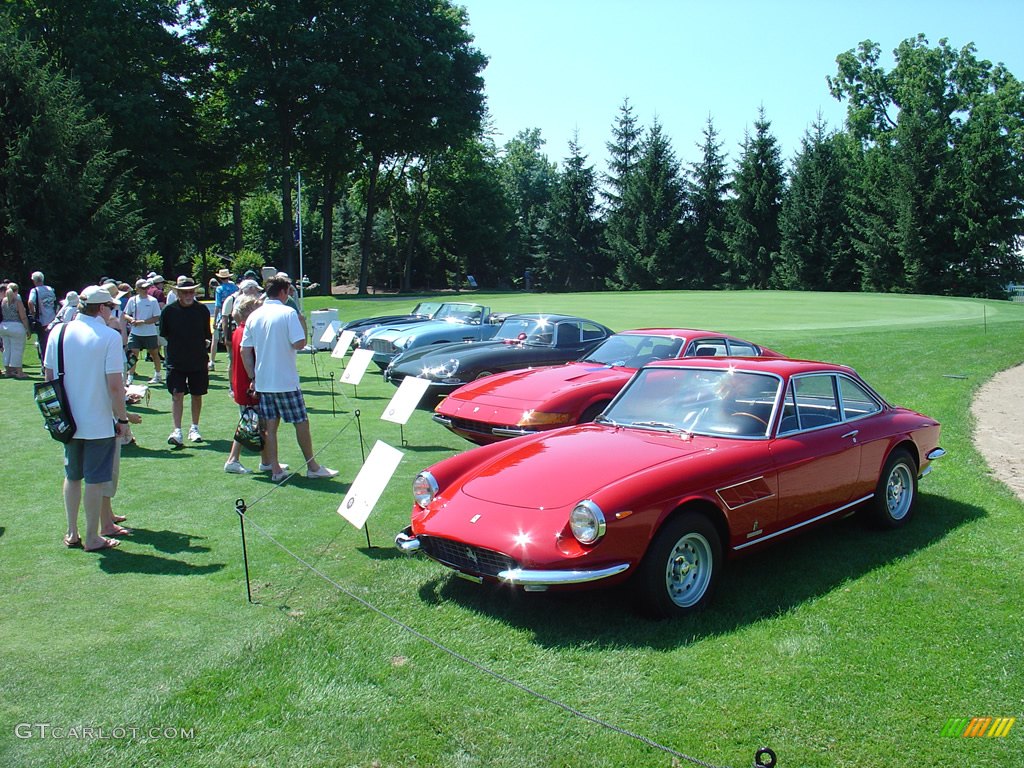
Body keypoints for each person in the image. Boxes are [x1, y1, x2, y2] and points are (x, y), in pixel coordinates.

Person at [44, 285, 132, 551]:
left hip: (67, 420)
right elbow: (115, 386)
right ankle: (92, 536)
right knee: (95, 478)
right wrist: (123, 419)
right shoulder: (108, 336)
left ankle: (73, 532)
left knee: (72, 476)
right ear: (103, 308)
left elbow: (48, 377)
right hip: (97, 420)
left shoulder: (57, 331)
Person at [240, 275, 337, 481]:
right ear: (283, 292)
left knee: (271, 427)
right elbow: (299, 344)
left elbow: (244, 351)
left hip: (264, 382)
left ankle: (275, 469)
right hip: (285, 381)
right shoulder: (288, 313)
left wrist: (253, 377)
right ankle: (312, 466)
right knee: (301, 422)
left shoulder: (254, 316)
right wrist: (302, 323)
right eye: (288, 292)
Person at [223, 295, 276, 474]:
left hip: (242, 383)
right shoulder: (248, 331)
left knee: (257, 424)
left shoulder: (239, 330)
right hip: (249, 384)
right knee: (249, 423)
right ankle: (233, 459)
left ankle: (266, 461)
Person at [159, 276, 211, 446]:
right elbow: (165, 333)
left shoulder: (202, 310)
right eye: (185, 292)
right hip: (176, 360)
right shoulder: (168, 311)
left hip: (198, 360)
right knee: (177, 395)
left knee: (197, 395)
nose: (189, 295)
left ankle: (194, 428)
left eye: (191, 291)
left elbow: (206, 335)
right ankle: (177, 430)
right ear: (178, 293)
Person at [124, 278, 163, 385]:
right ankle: (130, 376)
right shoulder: (132, 300)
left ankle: (158, 375)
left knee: (154, 354)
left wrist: (143, 321)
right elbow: (125, 314)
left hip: (150, 333)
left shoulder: (153, 300)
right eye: (143, 288)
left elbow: (157, 317)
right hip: (135, 333)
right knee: (133, 354)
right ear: (137, 289)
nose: (146, 289)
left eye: (147, 287)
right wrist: (131, 319)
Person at [0, 282, 32, 378]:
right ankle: (19, 372)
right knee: (17, 349)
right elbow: (23, 317)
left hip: (4, 326)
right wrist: (27, 329)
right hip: (16, 326)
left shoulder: (3, 301)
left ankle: (8, 371)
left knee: (7, 349)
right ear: (16, 290)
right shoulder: (18, 301)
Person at [209, 268, 238, 370]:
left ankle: (212, 362)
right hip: (234, 316)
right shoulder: (235, 287)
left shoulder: (219, 289)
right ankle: (232, 361)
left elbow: (217, 305)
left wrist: (215, 318)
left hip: (222, 316)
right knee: (232, 339)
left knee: (215, 339)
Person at [27, 271, 57, 353]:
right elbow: (54, 302)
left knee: (43, 344)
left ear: (34, 281)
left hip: (42, 320)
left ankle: (44, 363)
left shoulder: (35, 290)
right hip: (52, 318)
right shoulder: (50, 289)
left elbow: (30, 302)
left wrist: (33, 313)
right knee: (52, 342)